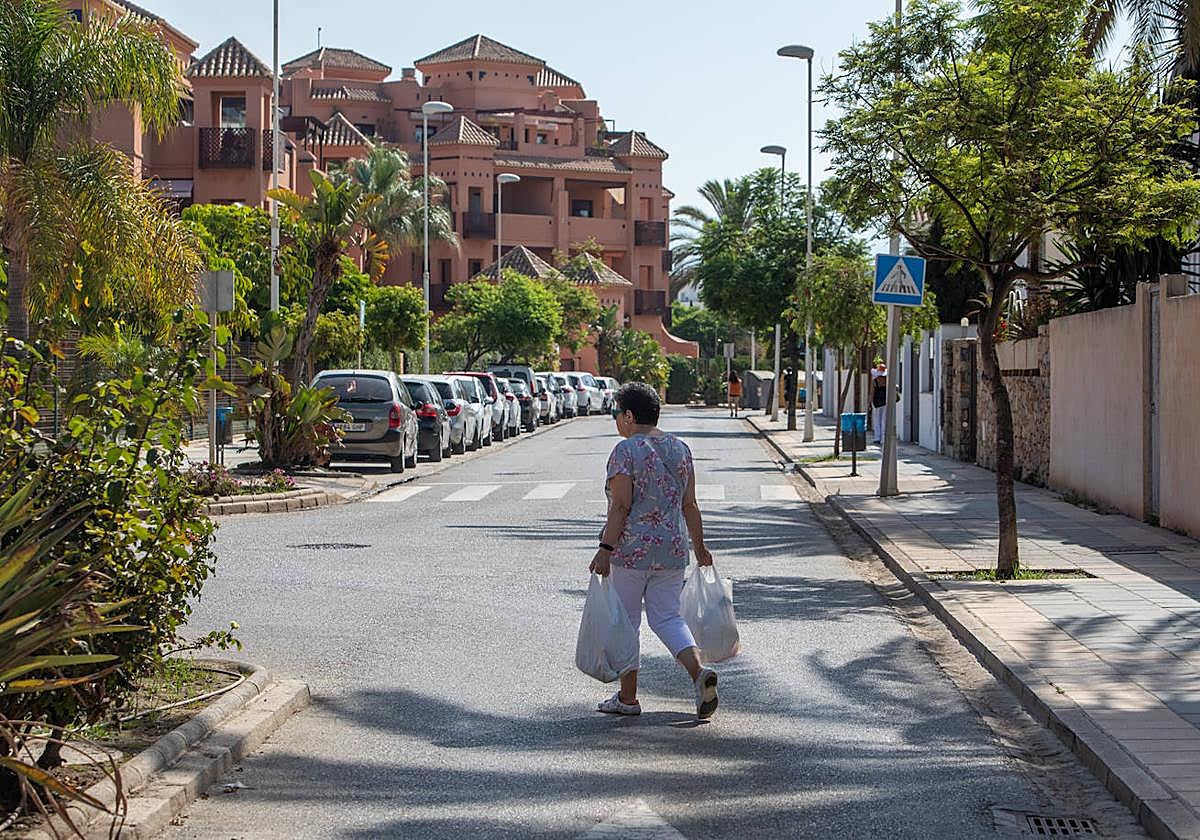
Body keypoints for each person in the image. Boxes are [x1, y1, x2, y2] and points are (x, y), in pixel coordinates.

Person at [590, 383, 720, 720]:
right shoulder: (680, 449)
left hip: (631, 551)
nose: (616, 420)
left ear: (629, 416)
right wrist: (700, 547)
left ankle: (628, 698)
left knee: (626, 621)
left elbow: (620, 506)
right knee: (667, 617)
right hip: (673, 549)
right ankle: (698, 673)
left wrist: (605, 549)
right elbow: (690, 505)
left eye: (617, 413)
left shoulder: (625, 451)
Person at [870, 361, 887, 445]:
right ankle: (884, 438)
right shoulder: (887, 380)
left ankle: (877, 437)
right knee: (884, 420)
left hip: (877, 402)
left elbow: (872, 392)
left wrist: (870, 402)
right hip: (886, 401)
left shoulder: (875, 381)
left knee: (877, 420)